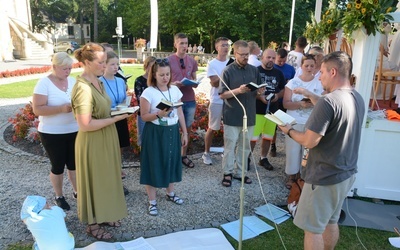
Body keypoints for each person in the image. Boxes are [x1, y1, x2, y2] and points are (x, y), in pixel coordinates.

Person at [279, 51, 365, 249]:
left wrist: (288, 130)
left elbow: (309, 141)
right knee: (331, 221)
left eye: (323, 72)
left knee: (313, 229)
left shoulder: (328, 102)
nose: (319, 76)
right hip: (346, 172)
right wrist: (311, 95)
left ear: (333, 72)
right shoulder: (356, 97)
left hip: (324, 176)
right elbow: (334, 109)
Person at [71, 43, 129, 240]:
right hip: (93, 141)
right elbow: (85, 124)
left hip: (105, 136)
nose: (104, 66)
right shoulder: (83, 88)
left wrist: (120, 112)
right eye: (101, 62)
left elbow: (103, 110)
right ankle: (92, 224)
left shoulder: (99, 81)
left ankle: (104, 214)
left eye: (105, 62)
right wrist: (115, 119)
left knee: (106, 179)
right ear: (87, 62)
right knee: (95, 182)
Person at [139, 58, 188, 216]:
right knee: (153, 164)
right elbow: (144, 116)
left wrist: (185, 132)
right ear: (154, 75)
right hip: (155, 132)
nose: (165, 77)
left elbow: (179, 112)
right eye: (161, 75)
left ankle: (170, 193)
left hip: (172, 130)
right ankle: (152, 201)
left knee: (172, 160)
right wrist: (159, 114)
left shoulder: (174, 90)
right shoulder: (148, 92)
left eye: (167, 74)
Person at [32, 52, 78, 211]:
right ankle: (59, 195)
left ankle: (77, 191)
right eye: (65, 68)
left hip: (74, 129)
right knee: (58, 165)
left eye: (70, 68)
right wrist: (60, 109)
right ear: (54, 67)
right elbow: (37, 109)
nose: (68, 72)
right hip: (52, 133)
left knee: (74, 164)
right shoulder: (44, 83)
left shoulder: (73, 81)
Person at [220, 40, 262, 187]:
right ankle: (227, 173)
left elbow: (256, 91)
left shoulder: (254, 70)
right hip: (232, 114)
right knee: (230, 146)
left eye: (247, 54)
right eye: (242, 54)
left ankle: (241, 173)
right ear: (235, 53)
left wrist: (260, 91)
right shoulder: (228, 71)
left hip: (249, 114)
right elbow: (222, 95)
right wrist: (238, 90)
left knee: (245, 147)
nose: (245, 57)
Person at [282, 54, 324, 189]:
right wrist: (300, 104)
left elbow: (323, 102)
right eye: (306, 65)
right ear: (301, 66)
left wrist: (312, 101)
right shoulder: (292, 83)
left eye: (312, 65)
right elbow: (286, 104)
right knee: (292, 149)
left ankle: (303, 175)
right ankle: (291, 175)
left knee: (307, 150)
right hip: (294, 119)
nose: (309, 68)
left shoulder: (320, 83)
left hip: (311, 121)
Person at [250, 49, 285, 170]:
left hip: (272, 111)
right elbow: (249, 90)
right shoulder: (255, 71)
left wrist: (277, 96)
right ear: (262, 57)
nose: (271, 60)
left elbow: (282, 89)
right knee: (253, 138)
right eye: (268, 57)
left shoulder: (279, 73)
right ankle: (247, 158)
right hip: (257, 110)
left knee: (268, 137)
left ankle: (263, 158)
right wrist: (260, 97)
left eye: (273, 58)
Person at [168, 33, 198, 168]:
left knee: (187, 128)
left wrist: (194, 83)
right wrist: (174, 84)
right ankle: (172, 156)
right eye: (181, 43)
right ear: (175, 44)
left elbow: (194, 78)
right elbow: (163, 81)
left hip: (189, 98)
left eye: (186, 43)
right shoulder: (168, 60)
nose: (184, 46)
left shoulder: (192, 61)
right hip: (174, 100)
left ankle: (183, 155)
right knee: (173, 129)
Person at [202, 37, 232, 165]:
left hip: (230, 100)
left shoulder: (233, 62)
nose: (226, 47)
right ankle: (206, 153)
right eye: (223, 45)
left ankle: (227, 153)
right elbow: (214, 83)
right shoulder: (212, 64)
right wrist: (226, 73)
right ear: (217, 48)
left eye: (227, 45)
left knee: (229, 128)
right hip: (217, 100)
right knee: (213, 127)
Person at [99, 51, 131, 161]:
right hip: (107, 118)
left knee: (120, 144)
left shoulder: (121, 81)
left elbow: (123, 99)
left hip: (121, 116)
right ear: (104, 65)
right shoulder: (99, 82)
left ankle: (118, 165)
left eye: (117, 64)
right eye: (112, 64)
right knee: (108, 145)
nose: (116, 67)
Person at [134, 56, 156, 146]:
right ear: (146, 66)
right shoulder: (139, 80)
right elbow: (140, 98)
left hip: (155, 114)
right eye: (150, 67)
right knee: (143, 140)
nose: (152, 70)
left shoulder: (157, 80)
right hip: (144, 114)